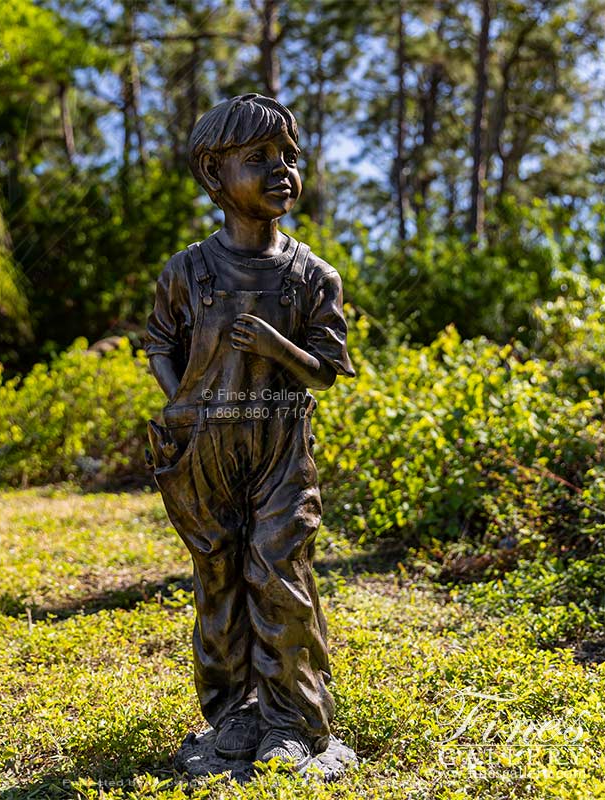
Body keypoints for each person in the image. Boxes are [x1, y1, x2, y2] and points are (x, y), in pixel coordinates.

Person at [144, 93, 355, 771]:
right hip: (206, 450)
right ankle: (234, 713)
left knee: (279, 573)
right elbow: (159, 342)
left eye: (289, 156)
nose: (282, 169)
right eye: (259, 157)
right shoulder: (187, 271)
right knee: (221, 575)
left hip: (281, 449)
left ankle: (294, 719)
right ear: (213, 173)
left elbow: (325, 371)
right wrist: (180, 403)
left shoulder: (312, 277)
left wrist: (274, 346)